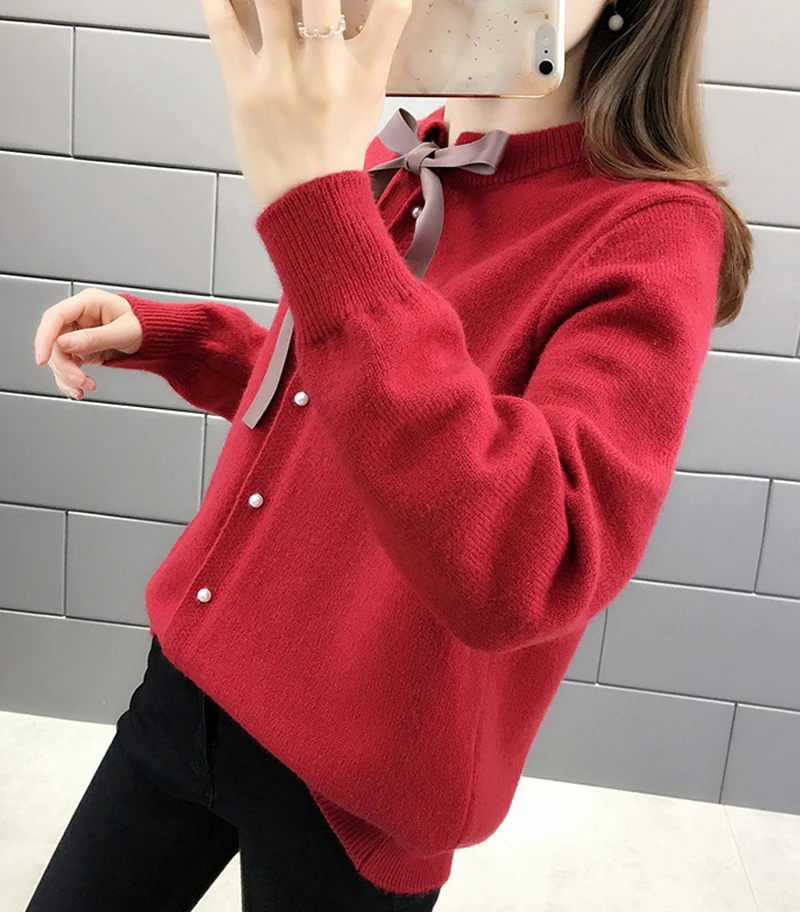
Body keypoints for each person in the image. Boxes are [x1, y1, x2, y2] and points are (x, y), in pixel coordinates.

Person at [27, 0, 753, 910]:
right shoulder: (406, 154)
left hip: (357, 788)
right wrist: (190, 340)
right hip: (194, 683)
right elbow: (351, 402)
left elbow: (529, 562)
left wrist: (319, 208)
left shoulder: (651, 230)